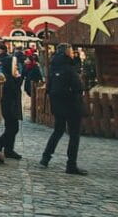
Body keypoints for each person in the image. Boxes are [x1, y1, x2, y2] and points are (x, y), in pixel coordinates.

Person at [40, 43, 87, 175]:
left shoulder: (53, 67)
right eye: (71, 51)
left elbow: (48, 87)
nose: (73, 54)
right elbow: (78, 87)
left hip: (58, 105)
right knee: (74, 135)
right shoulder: (69, 68)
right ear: (67, 52)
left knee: (58, 131)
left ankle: (45, 157)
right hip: (72, 105)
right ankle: (71, 165)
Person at [0, 43, 23, 160]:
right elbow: (13, 89)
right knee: (13, 128)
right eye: (15, 66)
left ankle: (8, 150)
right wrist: (18, 78)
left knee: (10, 127)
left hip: (10, 105)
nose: (16, 67)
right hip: (9, 106)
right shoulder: (7, 78)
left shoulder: (7, 75)